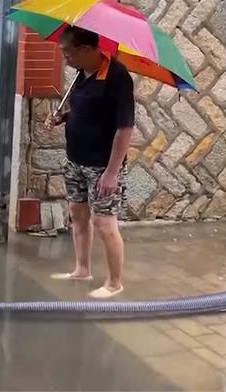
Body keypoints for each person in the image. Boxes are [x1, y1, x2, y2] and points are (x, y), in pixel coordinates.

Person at [47, 26, 134, 299]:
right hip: (76, 160)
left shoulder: (118, 78)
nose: (65, 58)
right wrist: (61, 117)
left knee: (104, 224)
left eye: (67, 52)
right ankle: (82, 269)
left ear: (86, 50)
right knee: (78, 215)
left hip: (101, 165)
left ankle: (114, 283)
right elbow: (85, 109)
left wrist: (111, 173)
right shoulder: (81, 74)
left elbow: (125, 128)